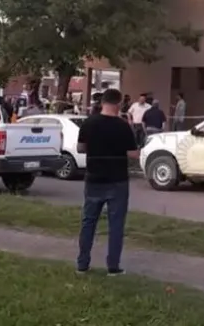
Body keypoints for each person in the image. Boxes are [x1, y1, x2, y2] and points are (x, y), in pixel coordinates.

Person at [75, 88, 138, 276]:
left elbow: (80, 148)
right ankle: (113, 266)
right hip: (117, 180)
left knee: (88, 222)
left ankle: (82, 264)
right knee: (116, 224)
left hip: (94, 178)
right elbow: (133, 153)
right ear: (118, 104)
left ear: (102, 102)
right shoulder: (123, 126)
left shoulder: (89, 123)